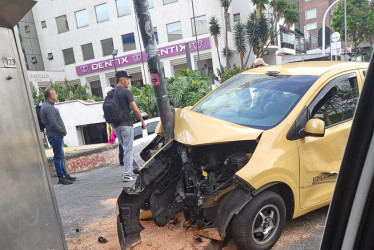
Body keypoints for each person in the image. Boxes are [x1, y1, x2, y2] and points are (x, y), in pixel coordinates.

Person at [112, 70, 146, 182]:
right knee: (128, 149)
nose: (128, 82)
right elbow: (135, 108)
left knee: (127, 148)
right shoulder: (125, 92)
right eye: (127, 79)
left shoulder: (111, 93)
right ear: (122, 80)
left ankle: (136, 168)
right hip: (126, 124)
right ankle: (126, 174)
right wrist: (142, 121)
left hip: (116, 125)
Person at [40, 88, 76, 185]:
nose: (56, 95)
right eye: (54, 94)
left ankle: (65, 175)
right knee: (58, 156)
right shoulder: (49, 107)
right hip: (55, 135)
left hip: (55, 135)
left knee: (60, 155)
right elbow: (53, 123)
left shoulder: (48, 106)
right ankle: (61, 177)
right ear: (50, 96)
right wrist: (62, 131)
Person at [104, 86, 124, 166]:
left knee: (120, 142)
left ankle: (121, 159)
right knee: (123, 143)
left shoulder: (106, 102)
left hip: (112, 125)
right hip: (119, 123)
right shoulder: (115, 101)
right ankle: (123, 160)